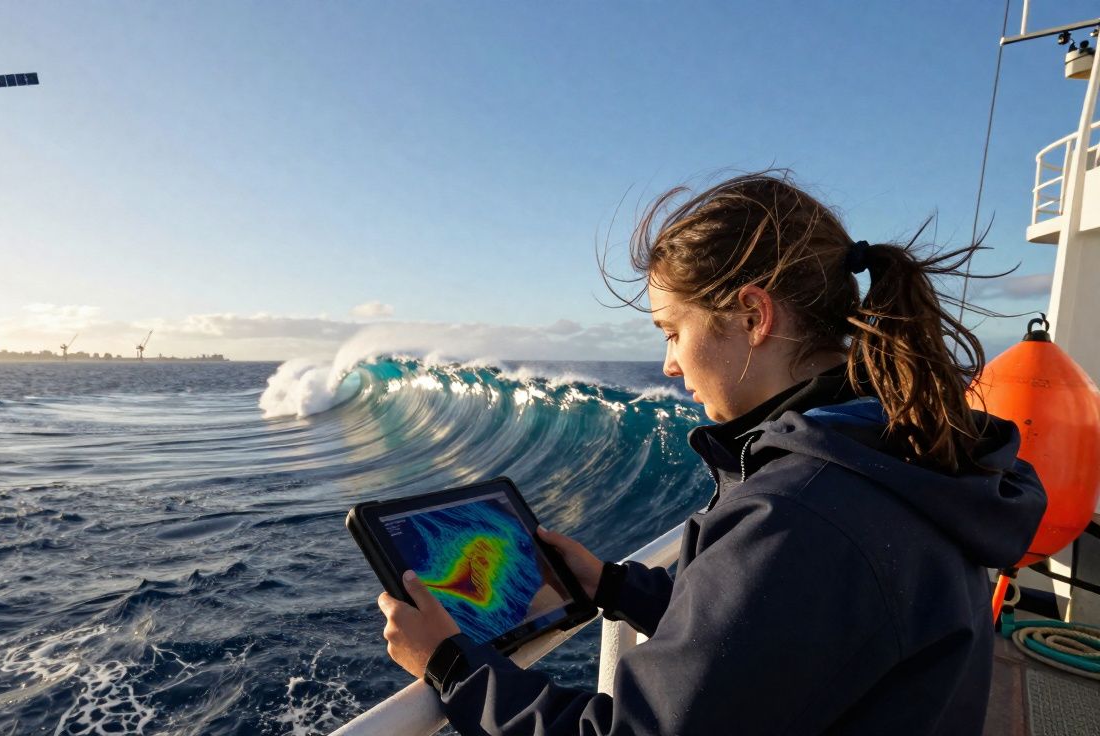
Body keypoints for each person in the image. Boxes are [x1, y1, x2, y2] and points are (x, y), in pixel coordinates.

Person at [376, 172, 1049, 735]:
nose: (668, 365)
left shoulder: (803, 511)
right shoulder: (891, 450)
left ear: (753, 316)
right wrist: (613, 586)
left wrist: (450, 666)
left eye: (672, 331)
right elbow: (778, 631)